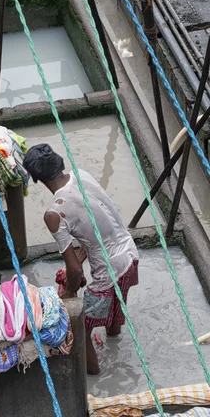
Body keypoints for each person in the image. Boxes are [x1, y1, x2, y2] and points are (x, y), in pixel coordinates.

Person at [23, 143, 139, 375]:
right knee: (114, 309)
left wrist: (67, 296)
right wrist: (77, 265)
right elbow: (97, 229)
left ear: (37, 178)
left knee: (79, 327)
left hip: (108, 272)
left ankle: (95, 378)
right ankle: (114, 344)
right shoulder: (81, 175)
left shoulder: (53, 214)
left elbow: (75, 270)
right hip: (130, 257)